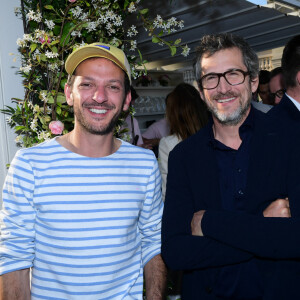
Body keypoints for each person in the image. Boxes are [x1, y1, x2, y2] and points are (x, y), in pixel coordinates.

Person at [0, 42, 166, 299]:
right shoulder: (30, 164)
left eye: (112, 86)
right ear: (69, 93)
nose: (99, 97)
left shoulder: (144, 164)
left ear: (126, 100)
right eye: (87, 84)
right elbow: (14, 259)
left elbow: (153, 243)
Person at [162, 33, 300, 300]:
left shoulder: (291, 139)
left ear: (253, 80)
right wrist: (262, 225)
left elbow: (295, 240)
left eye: (233, 74)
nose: (223, 88)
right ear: (201, 91)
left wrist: (211, 223)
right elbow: (176, 252)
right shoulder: (183, 156)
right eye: (211, 78)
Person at [158, 83, 208, 202]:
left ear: (172, 113)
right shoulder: (214, 135)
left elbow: (167, 191)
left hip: (185, 212)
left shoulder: (168, 144)